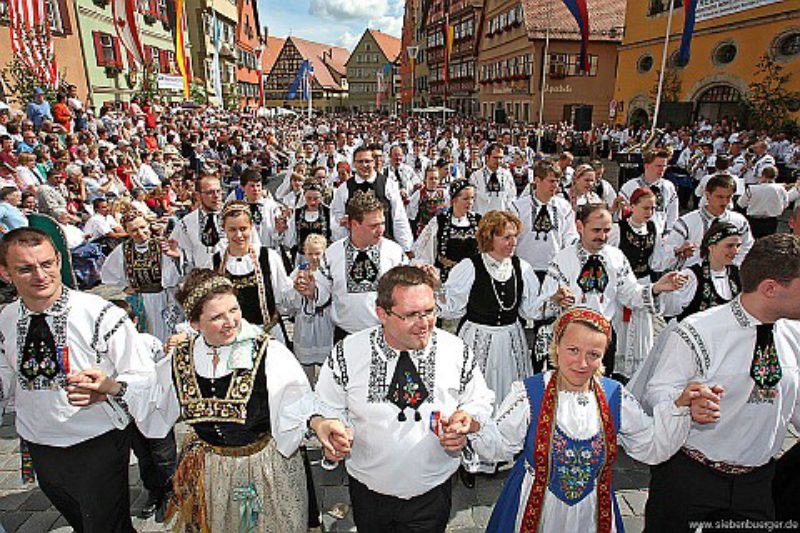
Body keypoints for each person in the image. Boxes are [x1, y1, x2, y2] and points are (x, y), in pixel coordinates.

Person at [72, 269, 315, 532]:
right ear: (195, 323)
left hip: (257, 468)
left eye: (234, 310)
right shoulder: (182, 358)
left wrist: (318, 424)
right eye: (217, 317)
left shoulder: (269, 352)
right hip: (209, 470)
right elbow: (154, 399)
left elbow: (298, 405)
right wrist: (111, 387)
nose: (231, 321)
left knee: (252, 525)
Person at [466, 307, 717, 533]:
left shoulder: (614, 396)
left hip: (593, 512)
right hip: (534, 506)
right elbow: (499, 446)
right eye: (573, 350)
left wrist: (679, 407)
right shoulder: (529, 394)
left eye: (594, 354)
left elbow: (651, 446)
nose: (582, 363)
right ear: (557, 346)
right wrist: (475, 427)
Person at [310, 265, 495, 532]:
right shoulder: (348, 353)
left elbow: (478, 398)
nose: (424, 323)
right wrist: (329, 430)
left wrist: (468, 420)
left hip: (432, 491)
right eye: (410, 315)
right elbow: (326, 405)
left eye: (429, 311)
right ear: (382, 314)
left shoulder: (455, 350)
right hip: (369, 492)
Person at [640, 234, 800, 531]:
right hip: (691, 476)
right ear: (770, 288)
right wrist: (684, 402)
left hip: (756, 484)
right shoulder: (698, 331)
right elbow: (657, 390)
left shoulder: (794, 335)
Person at [0, 227, 155, 532]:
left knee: (106, 526)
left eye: (46, 264)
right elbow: (7, 373)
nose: (40, 275)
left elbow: (144, 375)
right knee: (79, 522)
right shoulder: (5, 318)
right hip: (39, 442)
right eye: (26, 269)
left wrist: (108, 388)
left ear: (59, 260)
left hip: (96, 440)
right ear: (6, 274)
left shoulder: (99, 313)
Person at [537, 204, 686, 376]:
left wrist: (656, 288)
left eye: (607, 230)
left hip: (604, 338)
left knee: (600, 392)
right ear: (579, 227)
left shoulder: (616, 258)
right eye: (596, 230)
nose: (602, 236)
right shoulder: (563, 260)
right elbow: (541, 305)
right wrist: (556, 299)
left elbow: (631, 294)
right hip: (571, 340)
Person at [439, 210, 543, 418]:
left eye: (514, 236)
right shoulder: (470, 266)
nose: (513, 242)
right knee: (476, 389)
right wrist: (435, 290)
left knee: (511, 393)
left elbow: (530, 309)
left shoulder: (522, 267)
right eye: (506, 237)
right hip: (478, 337)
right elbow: (452, 308)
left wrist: (554, 300)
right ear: (489, 238)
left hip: (511, 339)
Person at [295, 192, 407, 342]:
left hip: (386, 335)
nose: (381, 230)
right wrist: (311, 291)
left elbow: (406, 290)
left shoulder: (394, 252)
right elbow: (322, 292)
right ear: (354, 224)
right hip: (346, 337)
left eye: (382, 223)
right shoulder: (332, 254)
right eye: (374, 225)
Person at [212, 200, 296, 343]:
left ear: (251, 227)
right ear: (224, 229)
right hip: (233, 339)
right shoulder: (215, 262)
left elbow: (284, 293)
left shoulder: (268, 257)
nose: (238, 235)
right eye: (232, 229)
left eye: (243, 228)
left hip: (268, 333)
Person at [100, 210, 183, 340]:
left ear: (148, 225)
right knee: (147, 332)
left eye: (142, 227)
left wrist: (177, 258)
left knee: (167, 332)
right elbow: (108, 272)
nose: (140, 233)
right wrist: (124, 287)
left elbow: (177, 272)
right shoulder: (124, 249)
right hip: (141, 300)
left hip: (164, 297)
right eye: (134, 230)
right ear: (127, 232)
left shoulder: (161, 244)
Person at [608, 188, 664, 379]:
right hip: (622, 285)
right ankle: (617, 369)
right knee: (620, 326)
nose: (649, 212)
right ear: (632, 207)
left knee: (641, 328)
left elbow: (656, 260)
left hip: (644, 283)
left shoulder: (653, 229)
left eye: (653, 208)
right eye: (645, 208)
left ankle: (636, 372)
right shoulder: (618, 229)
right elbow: (609, 257)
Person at [658, 174, 754, 271]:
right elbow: (667, 254)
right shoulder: (686, 223)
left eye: (728, 197)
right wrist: (678, 252)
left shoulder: (739, 221)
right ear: (708, 195)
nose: (725, 202)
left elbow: (747, 247)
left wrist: (734, 266)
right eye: (719, 197)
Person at [330, 145, 413, 252]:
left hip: (384, 246)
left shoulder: (388, 185)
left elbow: (399, 217)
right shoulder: (344, 188)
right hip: (355, 248)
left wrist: (406, 248)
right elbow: (336, 217)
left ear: (374, 162)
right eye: (360, 161)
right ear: (354, 164)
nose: (364, 165)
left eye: (367, 161)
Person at [659, 221, 742, 322]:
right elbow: (668, 310)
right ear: (711, 247)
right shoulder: (691, 276)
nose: (736, 251)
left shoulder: (736, 273)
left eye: (738, 246)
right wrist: (670, 289)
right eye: (729, 246)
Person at [413, 179, 481, 283]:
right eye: (466, 199)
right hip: (447, 278)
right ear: (454, 200)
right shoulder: (439, 221)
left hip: (472, 278)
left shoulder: (478, 220)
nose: (470, 202)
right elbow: (425, 251)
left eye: (472, 198)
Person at [289, 234, 333, 385]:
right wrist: (297, 289)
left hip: (324, 319)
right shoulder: (299, 271)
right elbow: (290, 297)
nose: (314, 257)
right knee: (305, 365)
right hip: (305, 321)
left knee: (326, 365)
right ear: (304, 253)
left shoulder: (328, 272)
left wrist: (315, 294)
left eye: (318, 253)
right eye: (310, 253)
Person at [170, 174, 226, 272]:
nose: (216, 196)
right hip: (202, 279)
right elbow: (184, 256)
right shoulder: (186, 224)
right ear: (198, 196)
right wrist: (179, 256)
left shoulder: (235, 217)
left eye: (218, 191)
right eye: (210, 192)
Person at [618, 149, 680, 235]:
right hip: (636, 234)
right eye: (658, 166)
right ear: (646, 166)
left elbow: (673, 214)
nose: (662, 169)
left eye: (664, 166)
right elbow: (622, 213)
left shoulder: (669, 186)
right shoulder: (630, 186)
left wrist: (668, 232)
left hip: (661, 236)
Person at [737, 165, 791, 239]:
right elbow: (785, 204)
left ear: (763, 175)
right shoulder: (781, 189)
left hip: (754, 221)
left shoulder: (752, 189)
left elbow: (741, 203)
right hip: (771, 221)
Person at [470, 143, 516, 215]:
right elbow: (471, 199)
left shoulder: (507, 175)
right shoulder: (476, 176)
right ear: (487, 157)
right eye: (495, 158)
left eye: (500, 158)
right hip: (482, 218)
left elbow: (512, 196)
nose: (498, 161)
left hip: (502, 218)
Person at [407, 165, 449, 238]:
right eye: (431, 178)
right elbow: (411, 216)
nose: (433, 181)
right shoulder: (418, 194)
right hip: (423, 233)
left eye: (436, 178)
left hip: (439, 231)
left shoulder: (444, 193)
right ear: (425, 179)